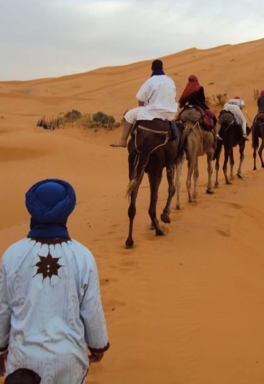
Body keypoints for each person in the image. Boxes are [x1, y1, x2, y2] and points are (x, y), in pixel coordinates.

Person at [0, 179, 110, 383]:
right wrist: (98, 346)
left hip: (23, 363)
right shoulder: (82, 256)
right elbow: (91, 309)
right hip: (69, 362)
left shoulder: (12, 255)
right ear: (67, 211)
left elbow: (3, 308)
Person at [110, 59, 178, 147]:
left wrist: (142, 109)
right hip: (169, 114)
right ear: (162, 67)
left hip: (152, 113)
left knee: (129, 115)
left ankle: (123, 140)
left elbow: (140, 98)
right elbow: (173, 96)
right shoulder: (170, 81)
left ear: (152, 68)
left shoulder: (151, 81)